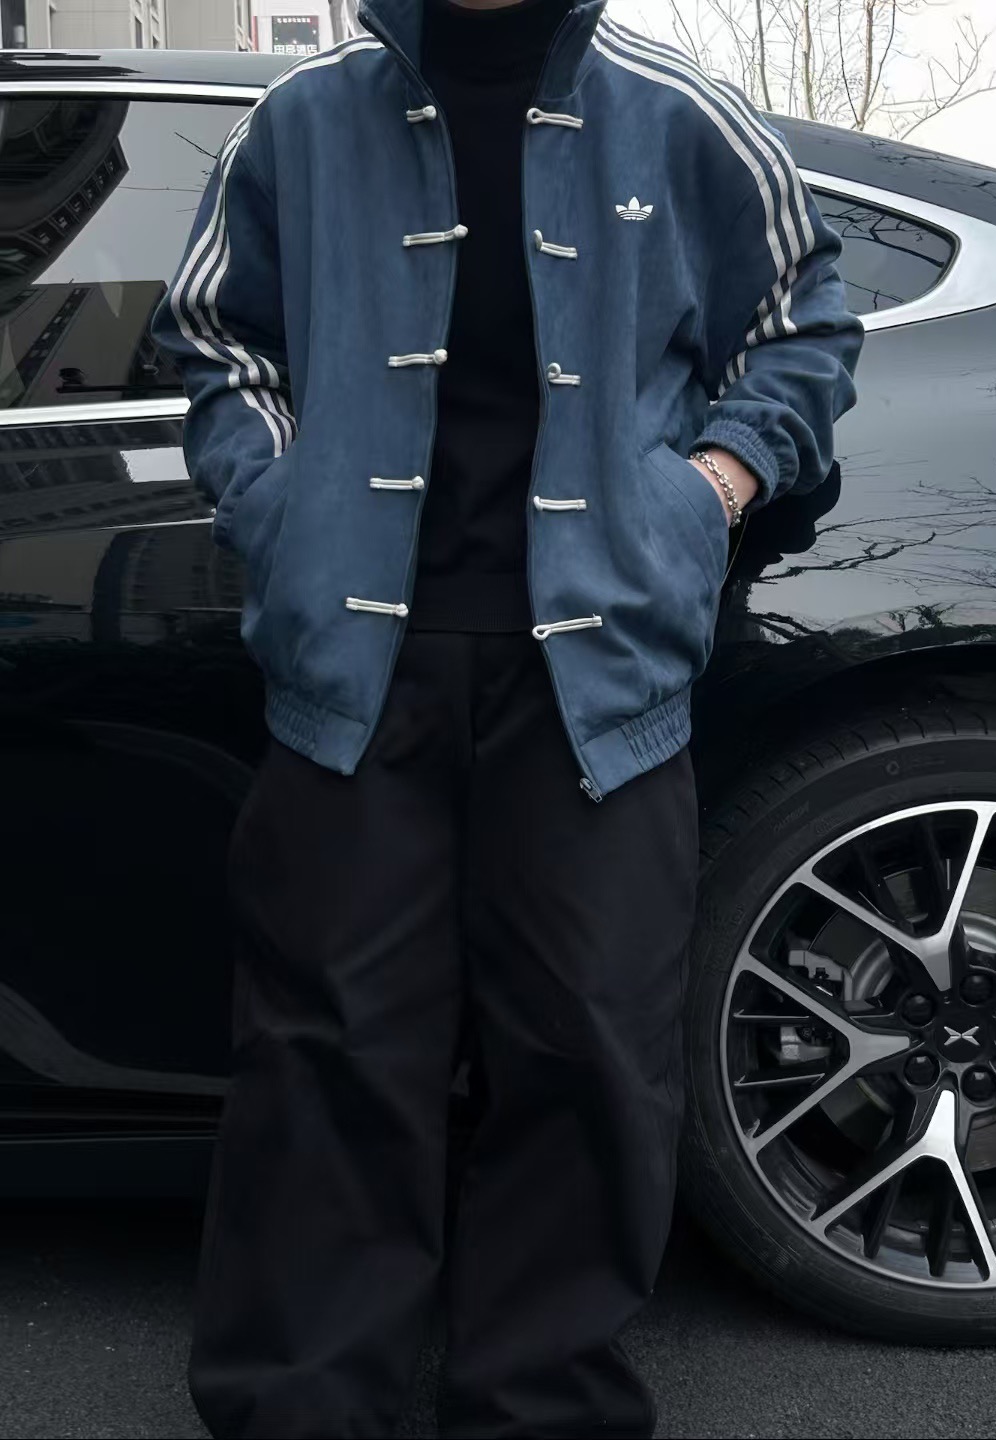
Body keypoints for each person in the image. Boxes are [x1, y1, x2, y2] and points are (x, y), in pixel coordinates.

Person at [152, 0, 862, 1433]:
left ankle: (542, 1403)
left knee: (589, 1051)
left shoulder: (681, 114)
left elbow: (805, 330)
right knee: (330, 1051)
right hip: (353, 674)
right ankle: (305, 1404)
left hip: (599, 674)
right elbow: (215, 344)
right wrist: (284, 511)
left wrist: (707, 491)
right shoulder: (302, 120)